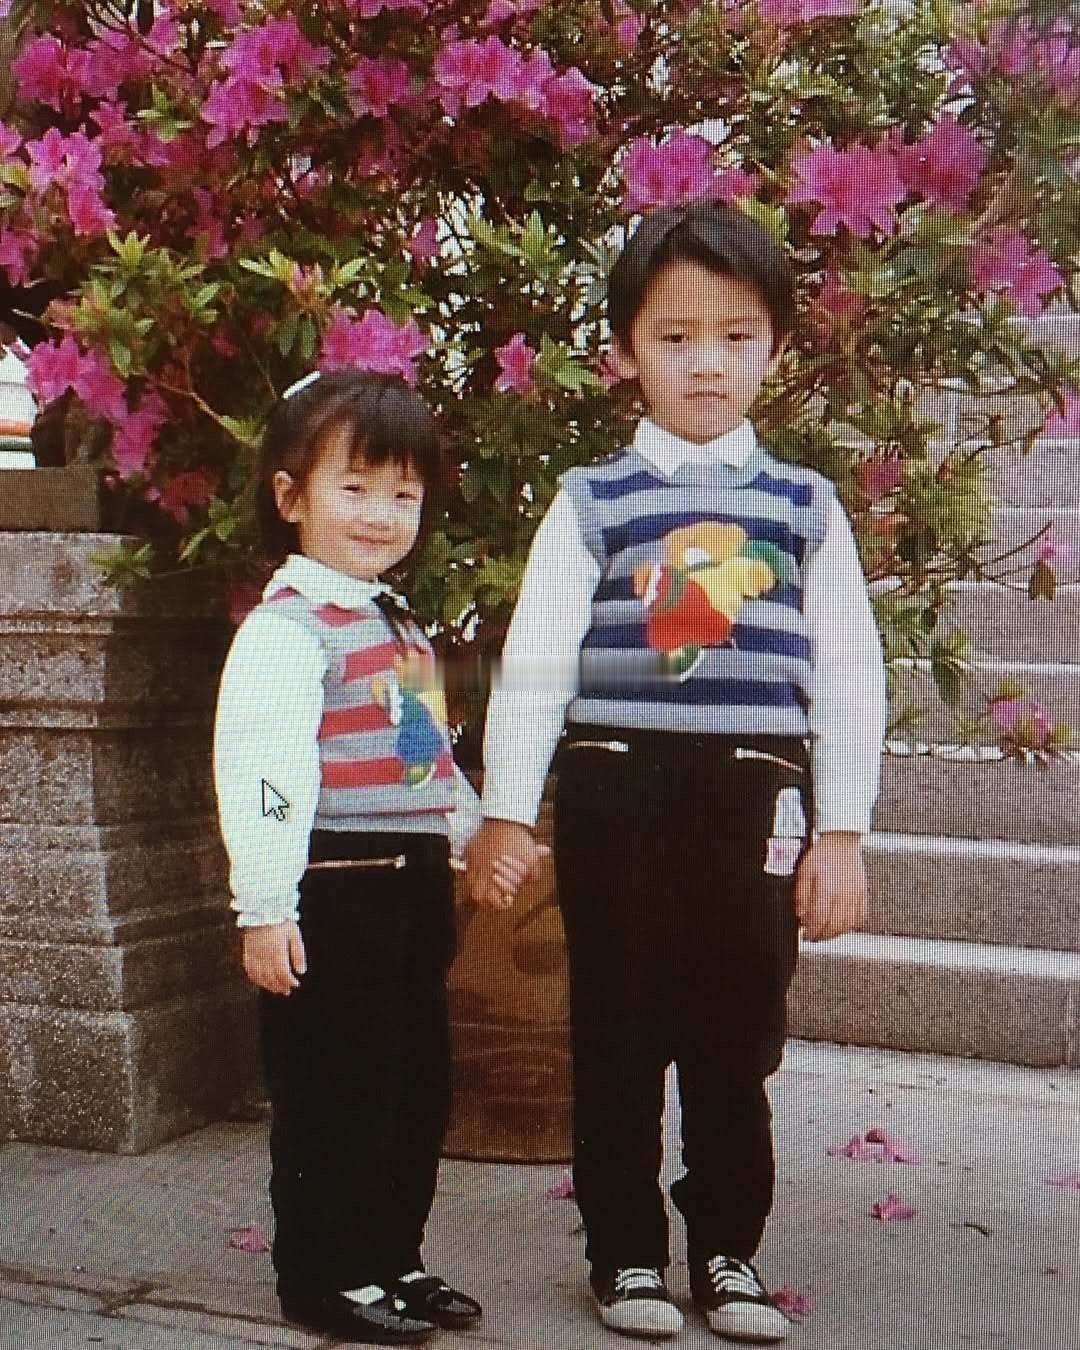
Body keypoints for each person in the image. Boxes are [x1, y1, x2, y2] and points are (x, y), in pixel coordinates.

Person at [467, 202, 887, 1343]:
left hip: (756, 802)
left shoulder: (804, 509)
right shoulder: (591, 503)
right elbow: (536, 665)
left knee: (735, 1041)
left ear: (776, 348)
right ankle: (625, 1257)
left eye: (736, 337)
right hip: (619, 794)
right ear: (624, 353)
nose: (707, 363)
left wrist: (841, 833)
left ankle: (728, 1254)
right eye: (676, 337)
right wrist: (507, 811)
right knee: (615, 1031)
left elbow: (850, 678)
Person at [213, 369, 529, 1345]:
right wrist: (266, 906)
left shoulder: (396, 624)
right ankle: (324, 1273)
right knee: (333, 1092)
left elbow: (424, 758)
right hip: (332, 892)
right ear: (290, 496)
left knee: (411, 1086)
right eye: (354, 488)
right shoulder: (286, 631)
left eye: (403, 493)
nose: (381, 514)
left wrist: (473, 831)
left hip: (411, 892)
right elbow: (265, 780)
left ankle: (392, 1255)